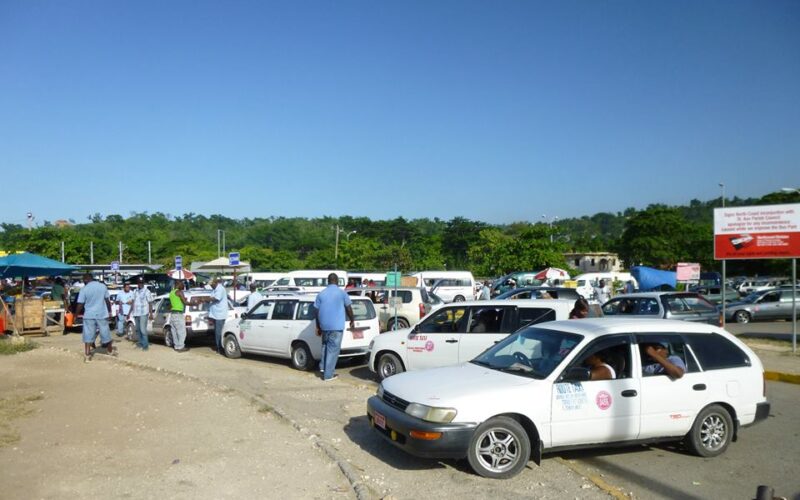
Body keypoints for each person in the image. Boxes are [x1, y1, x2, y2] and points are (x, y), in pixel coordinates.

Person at [314, 273, 355, 381]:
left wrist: (318, 326)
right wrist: (352, 320)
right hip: (336, 326)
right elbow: (349, 308)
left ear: (328, 281)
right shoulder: (342, 293)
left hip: (324, 326)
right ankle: (328, 375)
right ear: (337, 281)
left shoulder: (321, 294)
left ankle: (323, 368)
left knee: (325, 346)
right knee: (333, 350)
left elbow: (316, 311)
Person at [75, 273, 115, 362]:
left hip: (89, 314)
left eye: (83, 280)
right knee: (105, 332)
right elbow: (107, 301)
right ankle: (110, 351)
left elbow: (80, 304)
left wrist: (76, 315)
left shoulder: (84, 289)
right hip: (102, 313)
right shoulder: (102, 286)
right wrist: (109, 312)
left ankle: (87, 355)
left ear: (85, 280)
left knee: (88, 334)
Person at [207, 276, 229, 354]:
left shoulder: (220, 289)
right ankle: (219, 347)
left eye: (211, 284)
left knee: (218, 332)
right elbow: (211, 298)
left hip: (220, 314)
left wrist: (205, 299)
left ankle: (220, 348)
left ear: (215, 283)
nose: (210, 286)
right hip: (215, 314)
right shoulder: (214, 289)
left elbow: (216, 298)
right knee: (217, 332)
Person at [130, 278, 153, 350]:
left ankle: (145, 345)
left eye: (141, 282)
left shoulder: (147, 291)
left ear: (143, 283)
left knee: (143, 330)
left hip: (144, 313)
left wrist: (151, 313)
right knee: (138, 330)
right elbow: (133, 302)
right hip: (136, 313)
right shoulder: (135, 291)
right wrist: (130, 312)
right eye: (139, 282)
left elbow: (150, 303)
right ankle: (140, 344)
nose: (140, 284)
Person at [168, 280, 190, 353]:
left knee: (174, 331)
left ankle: (176, 346)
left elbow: (171, 305)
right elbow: (185, 303)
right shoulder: (180, 292)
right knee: (182, 331)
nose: (183, 286)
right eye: (182, 284)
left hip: (173, 314)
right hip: (178, 314)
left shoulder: (171, 293)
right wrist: (196, 303)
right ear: (178, 284)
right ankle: (181, 347)